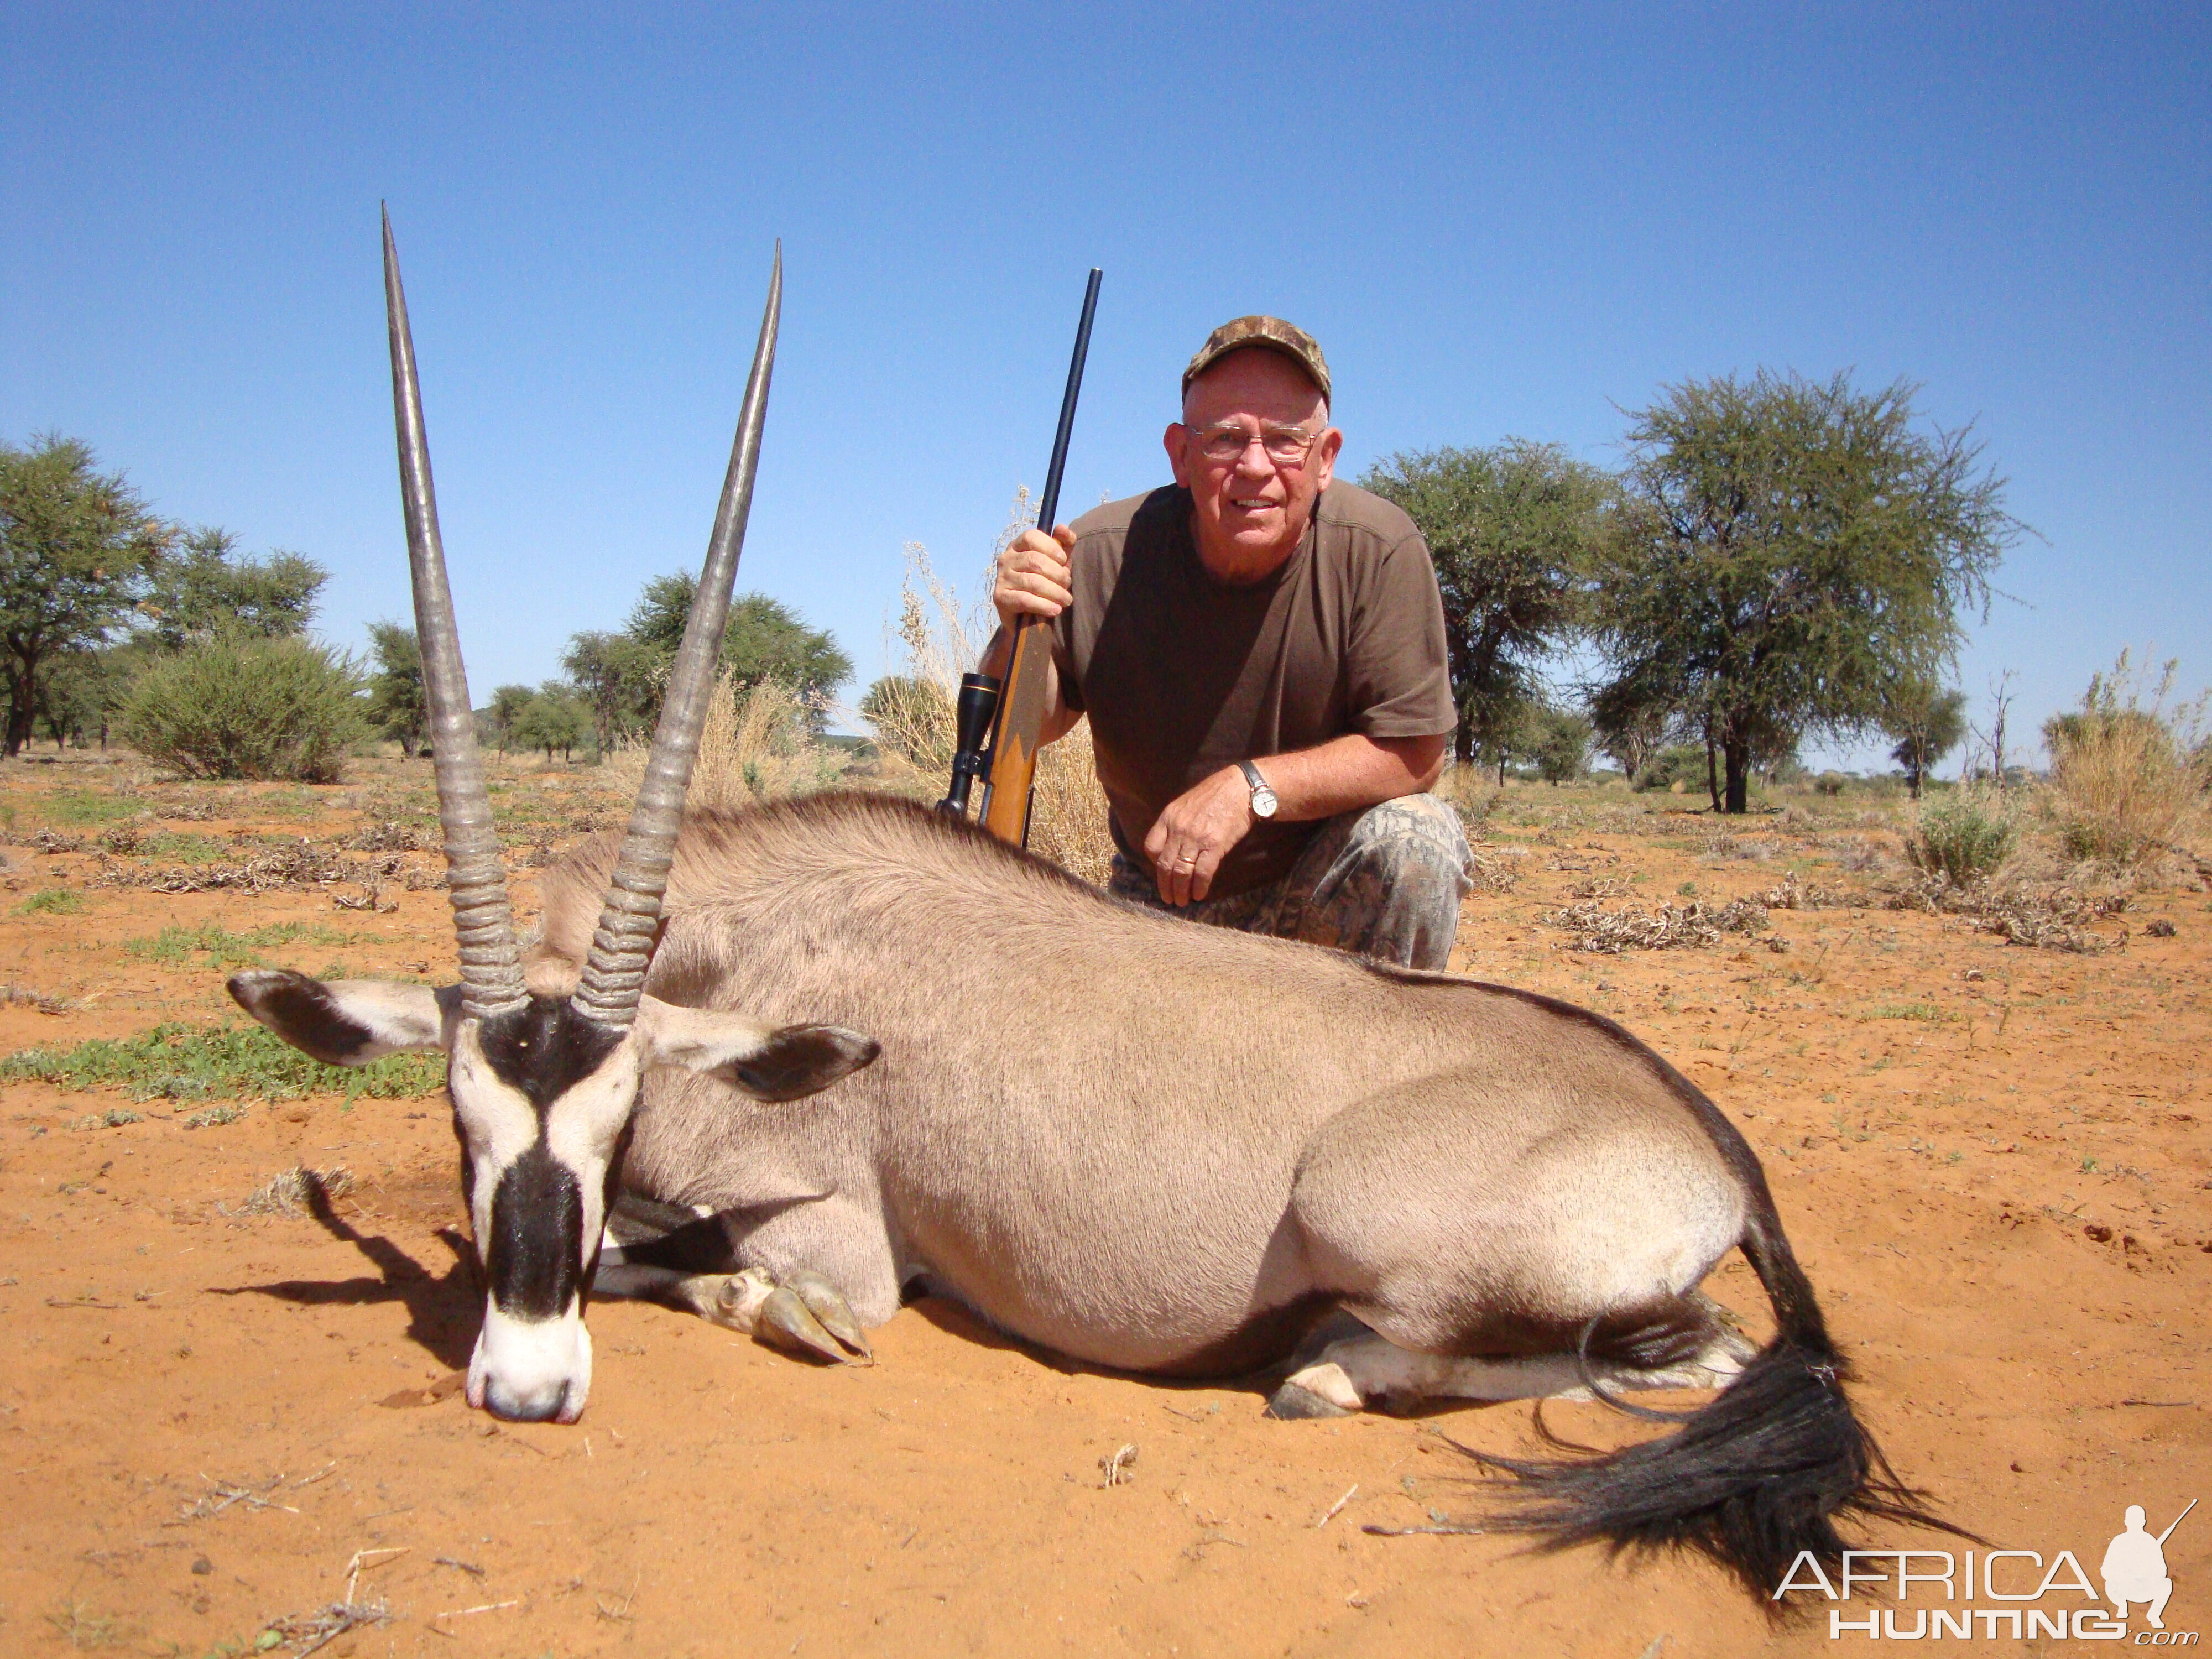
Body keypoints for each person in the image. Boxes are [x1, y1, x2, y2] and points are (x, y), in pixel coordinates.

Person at [985, 315, 1470, 970]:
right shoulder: (1097, 554)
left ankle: (1374, 1066)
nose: (1254, 467)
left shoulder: (1381, 549)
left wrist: (1250, 789)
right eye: (1225, 440)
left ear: (1325, 458)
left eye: (1285, 441)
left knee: (1418, 843)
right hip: (1155, 902)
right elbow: (1030, 727)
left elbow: (1416, 756)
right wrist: (1016, 628)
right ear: (1180, 456)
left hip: (1314, 904)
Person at [2102, 1505, 2175, 1629]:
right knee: (2110, 1583)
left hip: (2145, 1589)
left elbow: (2162, 1571)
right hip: (2124, 1589)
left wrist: (2145, 1572)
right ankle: (2122, 1605)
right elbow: (2106, 1571)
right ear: (2144, 1522)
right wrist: (2125, 1573)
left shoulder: (2150, 1542)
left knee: (2166, 1583)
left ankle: (2154, 1615)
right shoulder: (2119, 1541)